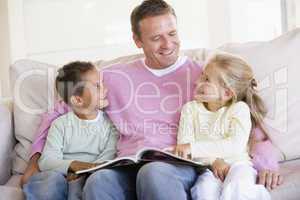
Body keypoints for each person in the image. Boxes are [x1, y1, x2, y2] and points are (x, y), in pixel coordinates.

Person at [21, 0, 282, 199]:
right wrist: (33, 162)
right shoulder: (112, 77)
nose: (168, 44)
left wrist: (266, 164)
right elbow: (58, 111)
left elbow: (248, 118)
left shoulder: (204, 75)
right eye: (156, 38)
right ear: (137, 41)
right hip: (124, 162)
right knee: (98, 181)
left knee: (153, 172)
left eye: (172, 33)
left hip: (176, 163)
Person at [175, 53, 271, 199]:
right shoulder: (190, 109)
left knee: (237, 187)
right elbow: (183, 149)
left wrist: (193, 148)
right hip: (209, 168)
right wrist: (213, 161)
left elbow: (235, 145)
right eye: (202, 75)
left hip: (239, 164)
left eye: (206, 79)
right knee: (203, 191)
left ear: (226, 93)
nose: (197, 81)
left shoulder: (239, 109)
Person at [23, 61, 118, 200]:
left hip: (91, 175)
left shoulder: (110, 125)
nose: (105, 89)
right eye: (97, 86)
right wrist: (75, 166)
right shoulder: (59, 125)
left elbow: (108, 157)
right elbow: (46, 161)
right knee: (49, 181)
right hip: (63, 175)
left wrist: (86, 171)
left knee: (98, 180)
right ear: (78, 100)